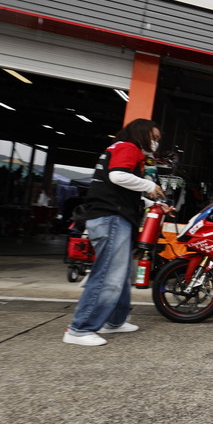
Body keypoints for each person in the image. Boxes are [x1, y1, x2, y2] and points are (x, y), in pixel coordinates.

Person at [63, 119, 168, 346]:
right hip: (111, 218)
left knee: (121, 273)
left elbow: (120, 190)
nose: (155, 143)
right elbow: (118, 176)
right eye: (154, 137)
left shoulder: (121, 149)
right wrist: (149, 186)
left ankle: (114, 320)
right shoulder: (128, 147)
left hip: (113, 217)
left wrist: (152, 203)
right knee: (108, 275)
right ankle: (80, 328)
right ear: (141, 134)